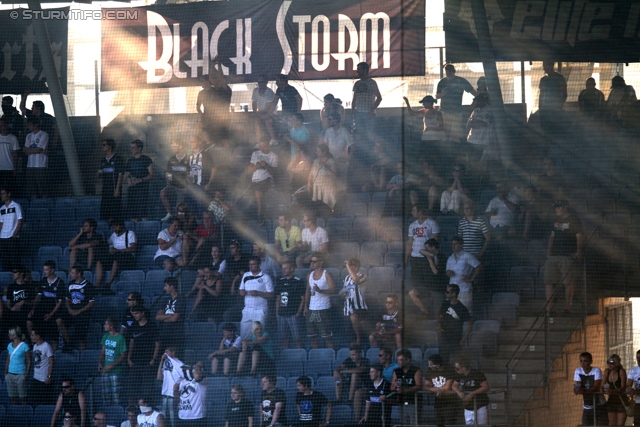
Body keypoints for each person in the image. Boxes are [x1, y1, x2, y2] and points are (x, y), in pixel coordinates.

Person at [544, 200, 584, 313]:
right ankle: (549, 307)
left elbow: (579, 236)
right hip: (554, 255)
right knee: (548, 281)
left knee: (568, 282)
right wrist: (549, 250)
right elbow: (552, 236)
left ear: (565, 207)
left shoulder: (574, 220)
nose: (556, 209)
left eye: (558, 207)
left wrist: (578, 250)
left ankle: (567, 307)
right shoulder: (556, 220)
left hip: (567, 255)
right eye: (555, 207)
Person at [404, 202, 440, 312]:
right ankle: (422, 310)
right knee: (416, 283)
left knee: (428, 284)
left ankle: (431, 309)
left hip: (426, 258)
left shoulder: (432, 223)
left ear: (420, 211)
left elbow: (435, 241)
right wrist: (406, 258)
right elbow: (410, 243)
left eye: (414, 210)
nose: (412, 212)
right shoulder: (412, 225)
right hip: (415, 259)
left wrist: (434, 256)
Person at [126, 305, 160, 404]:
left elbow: (157, 344)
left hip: (147, 363)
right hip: (135, 363)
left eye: (136, 313)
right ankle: (132, 411)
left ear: (142, 313)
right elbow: (131, 342)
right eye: (133, 314)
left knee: (147, 391)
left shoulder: (152, 326)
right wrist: (129, 358)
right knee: (131, 390)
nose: (135, 316)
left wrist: (153, 359)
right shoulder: (134, 326)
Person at [57, 265, 95, 352]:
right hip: (71, 311)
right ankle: (69, 342)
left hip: (82, 314)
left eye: (73, 273)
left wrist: (79, 311)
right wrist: (70, 309)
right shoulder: (70, 284)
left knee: (82, 339)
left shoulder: (88, 285)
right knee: (59, 321)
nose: (71, 274)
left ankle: (82, 359)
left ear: (78, 274)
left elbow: (91, 303)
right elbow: (67, 299)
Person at [436, 64, 477, 142]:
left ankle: (454, 149)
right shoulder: (442, 82)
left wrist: (476, 100)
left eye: (450, 72)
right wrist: (444, 93)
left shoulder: (461, 81)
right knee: (445, 134)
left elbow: (473, 92)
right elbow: (437, 96)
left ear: (453, 72)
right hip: (445, 111)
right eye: (447, 72)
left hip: (456, 112)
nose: (448, 73)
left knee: (455, 135)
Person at [408, 238, 447, 318]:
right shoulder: (430, 255)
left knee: (437, 315)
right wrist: (433, 256)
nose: (426, 250)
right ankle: (425, 312)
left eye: (428, 248)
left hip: (437, 289)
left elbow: (435, 272)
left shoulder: (443, 258)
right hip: (427, 287)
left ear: (433, 247)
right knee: (412, 292)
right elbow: (420, 251)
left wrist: (430, 260)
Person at [304, 253, 336, 349]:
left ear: (321, 262)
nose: (312, 263)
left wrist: (320, 291)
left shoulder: (326, 274)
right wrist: (306, 306)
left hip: (323, 309)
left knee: (327, 337)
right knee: (312, 337)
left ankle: (331, 356)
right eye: (311, 261)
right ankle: (316, 358)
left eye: (314, 261)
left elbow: (333, 289)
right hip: (311, 309)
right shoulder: (309, 275)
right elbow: (307, 291)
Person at [96, 218, 137, 290]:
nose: (114, 229)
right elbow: (107, 243)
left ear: (121, 226)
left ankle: (109, 283)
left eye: (115, 227)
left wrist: (118, 250)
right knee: (99, 262)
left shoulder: (130, 233)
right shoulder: (113, 235)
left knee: (115, 261)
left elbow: (133, 249)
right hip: (115, 255)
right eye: (113, 227)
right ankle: (98, 284)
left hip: (127, 257)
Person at [239, 256, 274, 339]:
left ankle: (258, 351)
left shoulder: (266, 277)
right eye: (250, 264)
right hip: (247, 310)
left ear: (259, 264)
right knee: (244, 335)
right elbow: (241, 291)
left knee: (259, 335)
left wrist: (258, 293)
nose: (251, 266)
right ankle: (245, 351)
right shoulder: (245, 275)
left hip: (260, 310)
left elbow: (271, 295)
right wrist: (244, 292)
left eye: (253, 264)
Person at [446, 236, 482, 314]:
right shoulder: (450, 258)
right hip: (452, 291)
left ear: (461, 245)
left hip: (464, 289)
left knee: (466, 313)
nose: (453, 246)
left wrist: (471, 278)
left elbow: (479, 266)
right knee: (452, 314)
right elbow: (447, 272)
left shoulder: (467, 256)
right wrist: (448, 273)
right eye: (452, 244)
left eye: (455, 244)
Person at [439, 284, 472, 365]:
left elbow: (470, 325)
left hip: (456, 339)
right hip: (444, 338)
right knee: (443, 361)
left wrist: (463, 340)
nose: (445, 293)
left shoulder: (462, 308)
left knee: (456, 362)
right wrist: (440, 323)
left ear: (453, 294)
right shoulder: (445, 303)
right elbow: (440, 316)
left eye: (447, 292)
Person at [275, 260, 305, 349]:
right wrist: (277, 312)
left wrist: (299, 312)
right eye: (282, 268)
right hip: (281, 314)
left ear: (292, 269)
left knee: (297, 338)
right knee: (284, 338)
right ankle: (286, 357)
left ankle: (300, 356)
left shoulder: (298, 282)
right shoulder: (280, 281)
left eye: (286, 268)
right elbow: (278, 298)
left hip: (293, 314)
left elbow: (303, 298)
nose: (283, 270)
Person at [452, 357, 491, 425]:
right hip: (468, 407)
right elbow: (454, 385)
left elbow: (486, 387)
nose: (456, 370)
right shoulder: (459, 375)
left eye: (457, 368)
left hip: (480, 405)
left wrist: (472, 393)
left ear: (463, 368)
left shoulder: (477, 374)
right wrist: (459, 392)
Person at [352, 62, 382, 146]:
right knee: (359, 134)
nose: (357, 71)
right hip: (358, 113)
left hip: (369, 114)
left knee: (369, 134)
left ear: (365, 70)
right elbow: (354, 98)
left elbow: (379, 98)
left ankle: (371, 152)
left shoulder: (372, 83)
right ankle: (361, 152)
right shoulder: (357, 83)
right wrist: (353, 109)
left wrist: (372, 110)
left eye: (359, 69)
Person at [574, 352, 608, 426]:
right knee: (586, 424)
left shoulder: (596, 370)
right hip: (587, 405)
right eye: (581, 361)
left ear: (590, 362)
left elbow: (596, 386)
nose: (583, 363)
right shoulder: (578, 371)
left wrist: (583, 391)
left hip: (599, 405)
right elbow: (578, 384)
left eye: (585, 361)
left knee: (601, 424)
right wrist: (577, 389)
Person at [125, 139, 155, 222]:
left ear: (139, 148)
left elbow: (152, 175)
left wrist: (141, 180)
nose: (131, 149)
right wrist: (129, 181)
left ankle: (144, 229)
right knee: (133, 212)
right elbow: (127, 174)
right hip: (132, 189)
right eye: (131, 147)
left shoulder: (146, 159)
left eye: (133, 147)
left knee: (142, 211)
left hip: (142, 190)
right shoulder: (130, 161)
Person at [99, 317, 127, 404]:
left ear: (111, 326)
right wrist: (100, 362)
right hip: (105, 371)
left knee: (116, 396)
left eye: (106, 324)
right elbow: (103, 352)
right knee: (105, 396)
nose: (104, 326)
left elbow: (123, 356)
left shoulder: (120, 338)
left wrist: (112, 365)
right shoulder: (105, 336)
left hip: (116, 371)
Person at [248, 138, 278, 222]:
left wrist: (266, 165)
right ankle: (260, 213)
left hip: (266, 180)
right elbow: (249, 169)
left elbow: (273, 173)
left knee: (258, 192)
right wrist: (256, 166)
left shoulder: (274, 156)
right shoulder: (255, 154)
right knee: (257, 191)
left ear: (268, 145)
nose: (262, 148)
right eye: (260, 146)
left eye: (264, 146)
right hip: (255, 180)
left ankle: (259, 213)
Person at [391, 349, 423, 425]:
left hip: (413, 402)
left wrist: (405, 390)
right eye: (398, 360)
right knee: (403, 423)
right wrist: (395, 386)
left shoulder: (416, 370)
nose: (398, 362)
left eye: (401, 360)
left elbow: (419, 386)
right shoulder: (397, 371)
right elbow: (392, 387)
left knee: (414, 423)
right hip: (401, 402)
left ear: (408, 360)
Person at [340, 258, 368, 345]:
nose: (351, 267)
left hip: (359, 307)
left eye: (352, 265)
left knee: (353, 316)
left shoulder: (362, 275)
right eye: (350, 265)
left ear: (357, 267)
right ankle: (352, 347)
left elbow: (356, 280)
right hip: (347, 307)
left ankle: (359, 339)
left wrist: (347, 266)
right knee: (348, 330)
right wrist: (341, 293)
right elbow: (344, 291)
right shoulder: (346, 278)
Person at [160, 139, 189, 221]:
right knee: (163, 193)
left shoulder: (188, 158)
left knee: (179, 206)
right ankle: (169, 213)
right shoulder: (172, 159)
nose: (173, 148)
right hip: (172, 186)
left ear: (181, 146)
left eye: (174, 146)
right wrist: (168, 181)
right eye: (172, 146)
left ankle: (177, 219)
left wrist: (188, 186)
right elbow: (168, 173)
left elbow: (190, 174)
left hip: (183, 188)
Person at [156, 277, 186, 356]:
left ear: (172, 287)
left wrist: (164, 317)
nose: (164, 288)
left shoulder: (181, 299)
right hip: (165, 334)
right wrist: (170, 315)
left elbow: (174, 318)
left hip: (176, 335)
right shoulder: (165, 300)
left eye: (166, 286)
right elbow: (157, 317)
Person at [424, 354, 457, 427]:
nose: (429, 366)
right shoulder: (430, 371)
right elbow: (426, 386)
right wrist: (432, 389)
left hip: (450, 402)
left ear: (438, 365)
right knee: (439, 422)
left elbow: (448, 387)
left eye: (431, 365)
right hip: (438, 401)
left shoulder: (448, 370)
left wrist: (440, 389)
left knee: (449, 423)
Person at [308, 143, 339, 214]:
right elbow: (311, 173)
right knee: (317, 206)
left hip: (327, 188)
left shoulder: (331, 161)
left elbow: (334, 176)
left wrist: (325, 168)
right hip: (317, 188)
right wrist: (309, 183)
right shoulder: (316, 161)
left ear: (324, 152)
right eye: (316, 151)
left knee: (326, 208)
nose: (317, 152)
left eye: (318, 151)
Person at [466, 92, 497, 163]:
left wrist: (474, 121)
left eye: (479, 100)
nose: (477, 102)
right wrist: (476, 122)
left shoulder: (489, 109)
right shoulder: (475, 111)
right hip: (471, 140)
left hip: (482, 142)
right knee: (470, 161)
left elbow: (484, 122)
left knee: (479, 162)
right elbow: (468, 125)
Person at [98, 138, 124, 222]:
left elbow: (121, 174)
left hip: (114, 189)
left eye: (104, 145)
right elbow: (102, 174)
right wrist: (99, 174)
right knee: (106, 210)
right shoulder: (103, 160)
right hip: (105, 189)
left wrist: (117, 189)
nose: (102, 147)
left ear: (110, 146)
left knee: (114, 211)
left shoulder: (118, 158)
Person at [23, 116, 49, 198]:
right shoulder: (28, 136)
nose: (29, 126)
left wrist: (32, 150)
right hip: (30, 165)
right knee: (31, 188)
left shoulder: (44, 134)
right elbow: (25, 150)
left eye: (30, 124)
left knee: (43, 188)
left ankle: (45, 204)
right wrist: (36, 150)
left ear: (36, 124)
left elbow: (39, 149)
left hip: (40, 165)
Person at [174, 362, 207, 427]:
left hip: (197, 416)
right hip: (182, 416)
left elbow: (197, 375)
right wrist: (175, 390)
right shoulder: (182, 381)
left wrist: (194, 367)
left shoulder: (202, 380)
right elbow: (178, 397)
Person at [157, 346, 183, 427]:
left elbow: (183, 379)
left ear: (173, 352)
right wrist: (161, 361)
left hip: (173, 396)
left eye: (167, 352)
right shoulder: (166, 362)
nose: (165, 354)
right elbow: (159, 377)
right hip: (165, 395)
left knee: (173, 420)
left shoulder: (180, 364)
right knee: (163, 420)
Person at [5, 326, 30, 405]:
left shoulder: (24, 346)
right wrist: (6, 372)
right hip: (10, 374)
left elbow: (29, 361)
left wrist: (26, 375)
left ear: (15, 335)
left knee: (23, 398)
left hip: (20, 375)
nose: (9, 335)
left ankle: (24, 414)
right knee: (13, 398)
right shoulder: (9, 345)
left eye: (10, 334)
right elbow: (8, 359)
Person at [7, 265, 35, 335]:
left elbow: (33, 302)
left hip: (26, 312)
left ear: (21, 273)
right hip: (14, 313)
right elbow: (8, 303)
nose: (13, 274)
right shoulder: (11, 287)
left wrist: (23, 302)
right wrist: (11, 309)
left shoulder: (29, 286)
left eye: (15, 272)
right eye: (12, 272)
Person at [30, 327, 54, 406]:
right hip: (35, 377)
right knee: (34, 401)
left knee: (44, 401)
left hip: (44, 379)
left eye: (33, 335)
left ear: (38, 336)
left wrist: (49, 376)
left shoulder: (46, 346)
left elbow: (52, 362)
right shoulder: (35, 346)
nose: (31, 337)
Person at [0, 187, 23, 271]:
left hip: (12, 238)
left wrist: (14, 235)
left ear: (8, 194)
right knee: (5, 261)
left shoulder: (16, 206)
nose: (1, 196)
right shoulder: (1, 209)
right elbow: (1, 223)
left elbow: (20, 221)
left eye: (3, 193)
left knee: (14, 262)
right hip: (3, 238)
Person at [251, 74, 277, 144]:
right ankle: (259, 141)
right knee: (257, 120)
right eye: (259, 82)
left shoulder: (269, 92)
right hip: (260, 113)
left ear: (266, 82)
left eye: (262, 82)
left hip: (271, 113)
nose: (260, 84)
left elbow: (267, 109)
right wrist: (255, 113)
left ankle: (273, 139)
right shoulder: (255, 91)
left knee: (267, 120)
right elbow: (254, 102)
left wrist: (255, 114)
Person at [603, 354, 627, 426]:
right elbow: (602, 385)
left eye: (612, 362)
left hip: (621, 401)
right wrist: (603, 390)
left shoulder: (621, 371)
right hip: (611, 401)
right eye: (608, 362)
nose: (609, 364)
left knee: (620, 425)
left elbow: (623, 387)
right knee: (612, 424)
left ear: (617, 363)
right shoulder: (607, 372)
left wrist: (612, 391)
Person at [0, 118, 19, 191]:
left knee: (9, 188)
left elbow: (15, 154)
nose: (2, 127)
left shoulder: (13, 138)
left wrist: (15, 168)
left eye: (3, 125)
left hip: (9, 168)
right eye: (0, 126)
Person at [626, 349, 640, 425]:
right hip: (638, 402)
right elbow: (629, 384)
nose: (639, 360)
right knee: (637, 423)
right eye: (637, 358)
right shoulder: (633, 370)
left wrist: (636, 391)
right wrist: (629, 389)